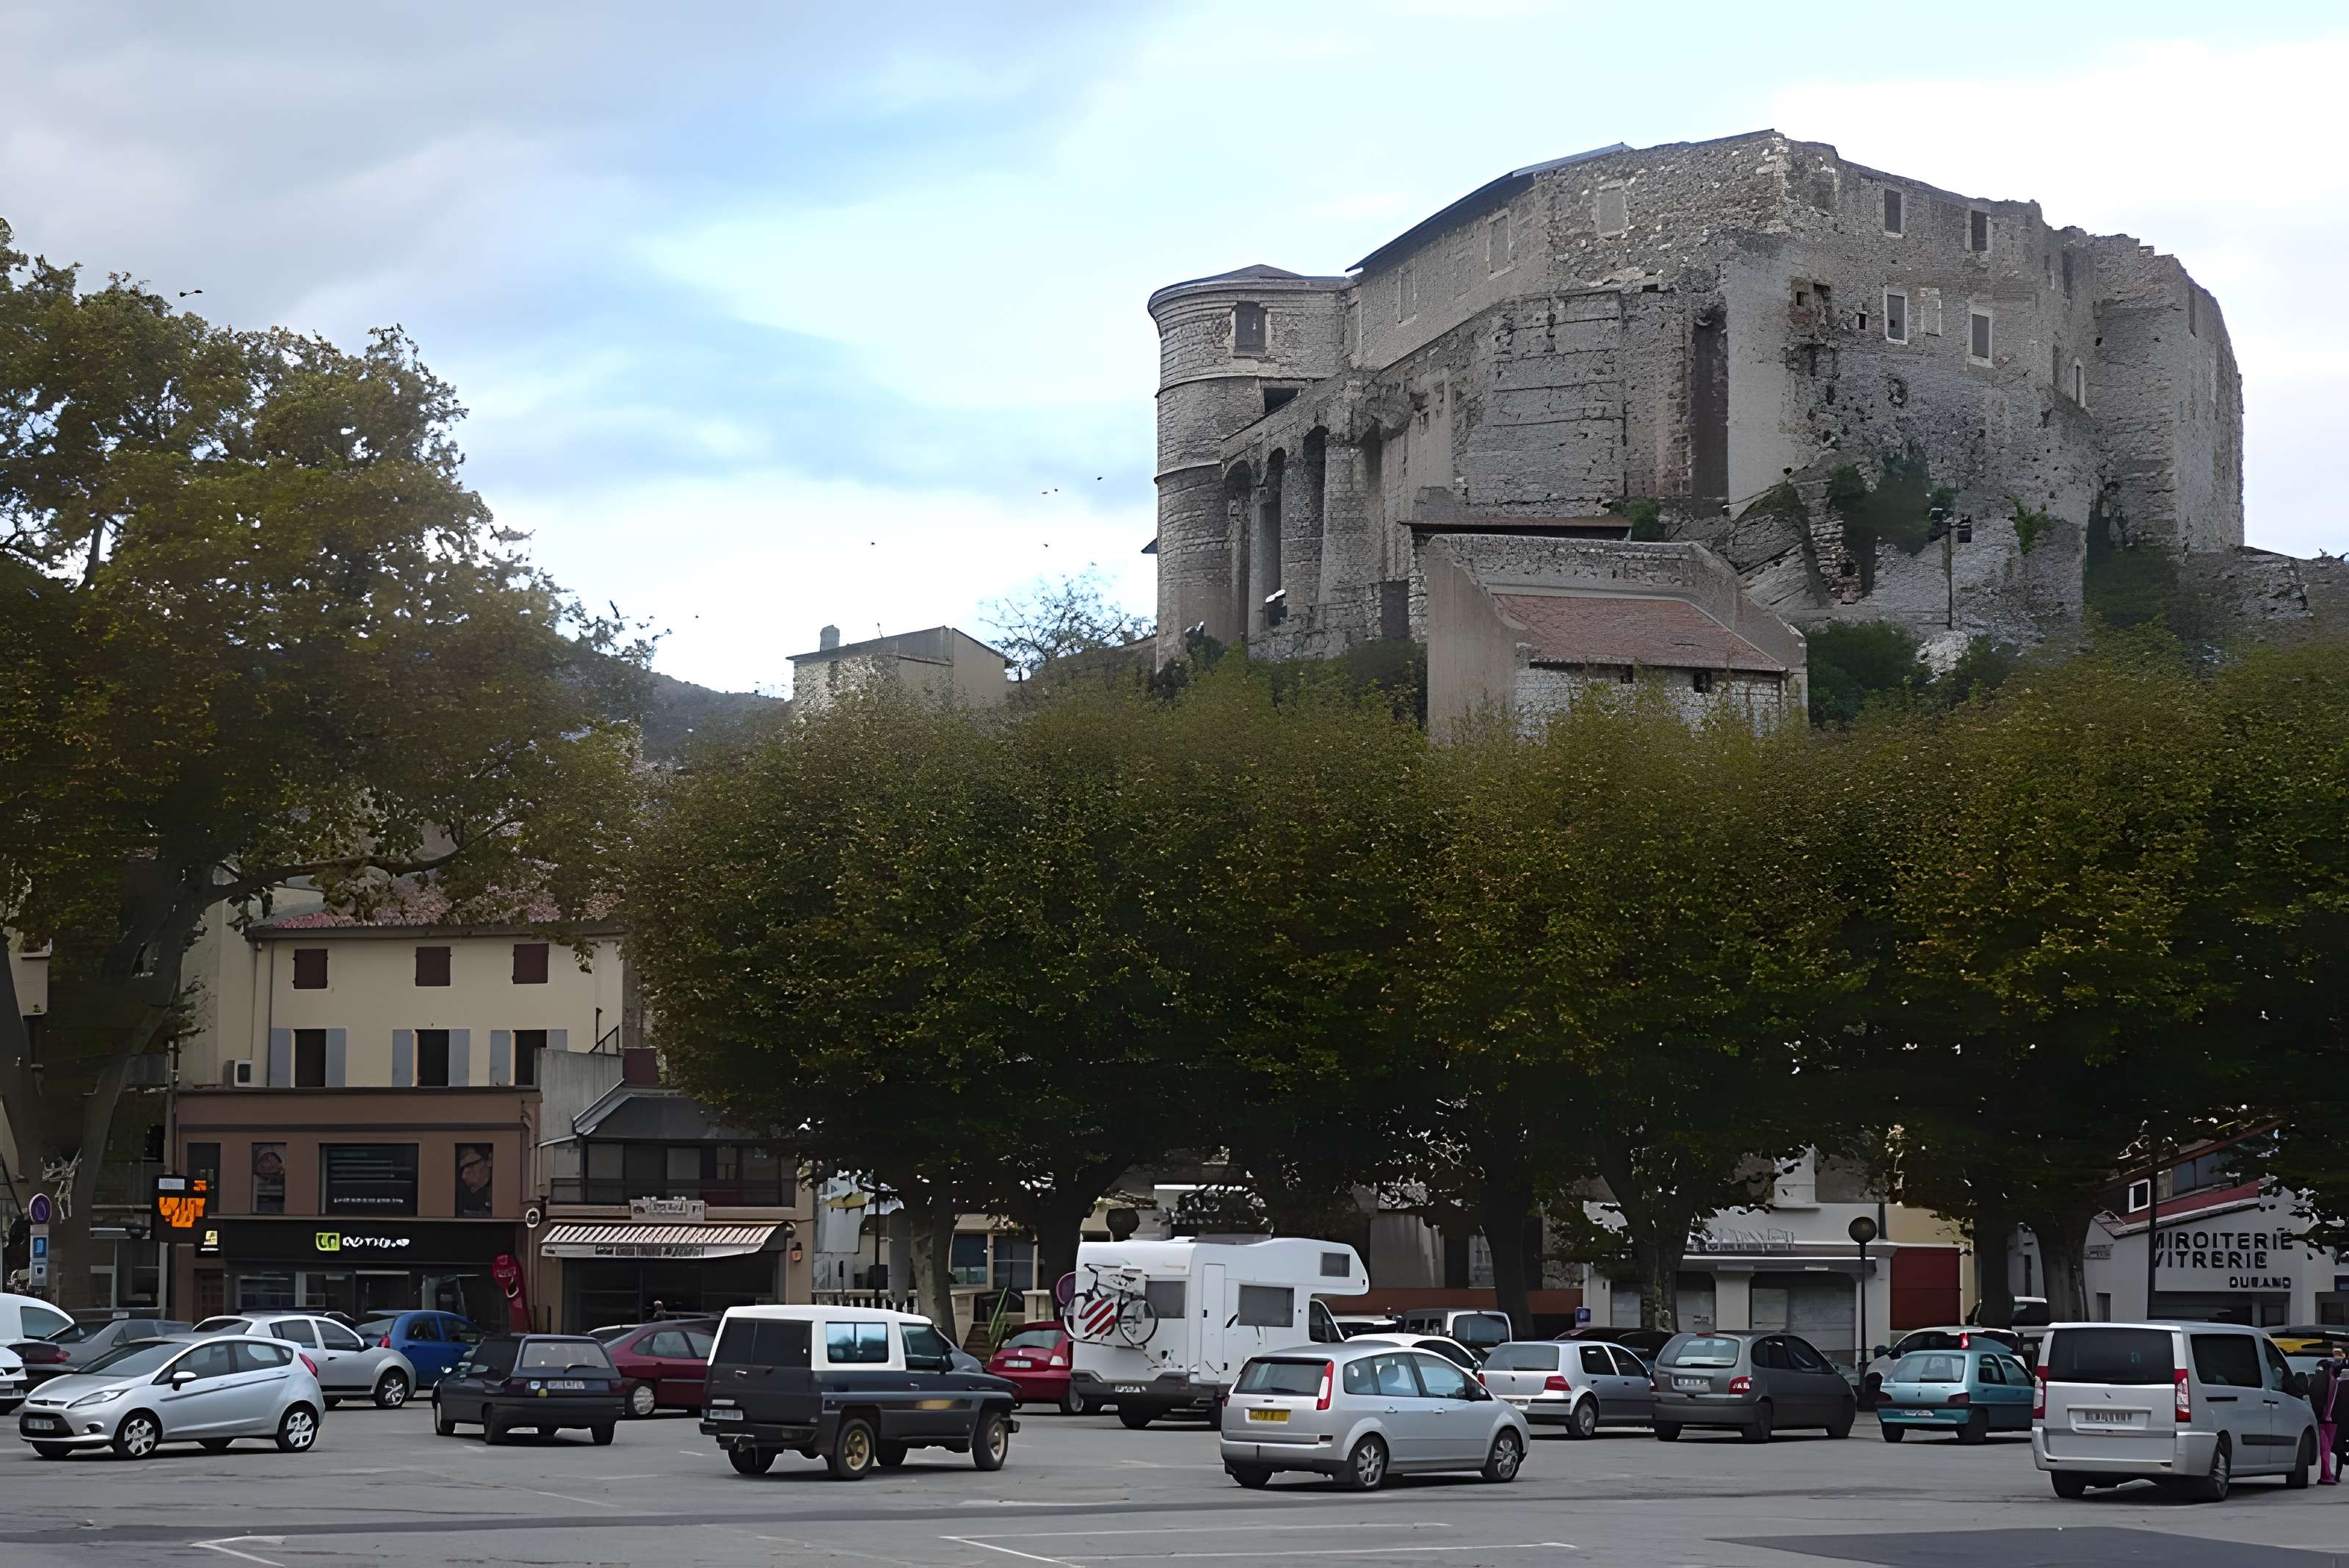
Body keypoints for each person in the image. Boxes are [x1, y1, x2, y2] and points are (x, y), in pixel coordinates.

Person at [2314, 1351, 2343, 1486]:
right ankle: (2329, 1475)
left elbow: (2319, 1396)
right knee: (2329, 1447)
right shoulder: (2336, 1380)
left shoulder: (2325, 1378)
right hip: (2333, 1418)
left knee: (2326, 1448)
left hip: (2324, 1418)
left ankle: (2327, 1475)